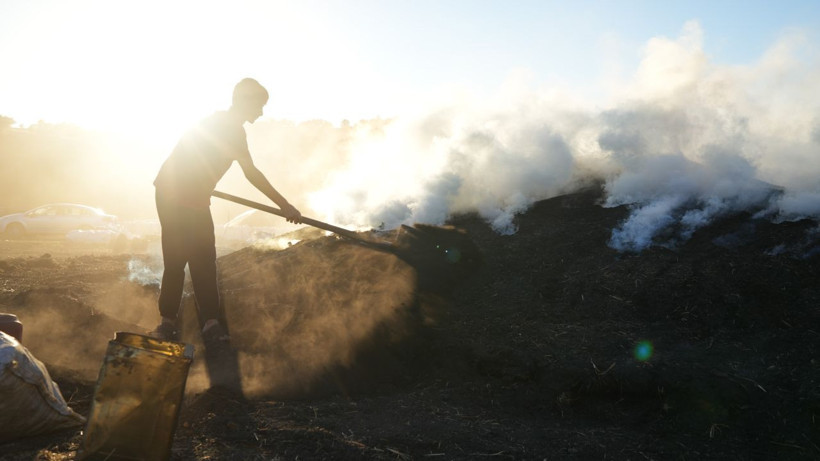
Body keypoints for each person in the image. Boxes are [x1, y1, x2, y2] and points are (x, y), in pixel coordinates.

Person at [150, 78, 301, 351]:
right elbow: (245, 172)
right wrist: (284, 205)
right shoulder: (215, 125)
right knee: (177, 259)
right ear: (245, 102)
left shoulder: (234, 132)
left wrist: (283, 205)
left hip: (196, 199)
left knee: (205, 261)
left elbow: (249, 172)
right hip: (171, 196)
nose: (261, 112)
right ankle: (167, 323)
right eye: (259, 106)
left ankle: (210, 323)